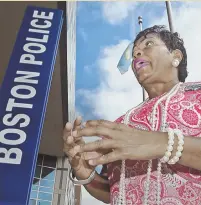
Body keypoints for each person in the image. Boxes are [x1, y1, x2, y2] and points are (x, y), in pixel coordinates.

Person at [63, 25, 201, 205]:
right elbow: (113, 192)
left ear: (175, 57)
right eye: (135, 52)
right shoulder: (121, 126)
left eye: (148, 44)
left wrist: (162, 143)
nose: (136, 54)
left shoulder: (197, 93)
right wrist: (84, 171)